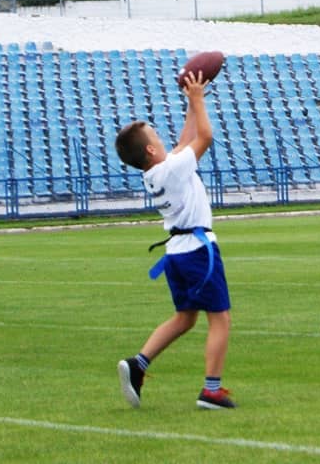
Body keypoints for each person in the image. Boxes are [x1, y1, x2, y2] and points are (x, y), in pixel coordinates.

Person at [114, 70, 235, 410]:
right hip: (198, 250)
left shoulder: (156, 172)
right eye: (157, 135)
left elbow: (185, 142)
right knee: (220, 318)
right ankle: (211, 391)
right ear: (151, 149)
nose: (165, 140)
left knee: (185, 317)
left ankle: (138, 364)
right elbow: (204, 137)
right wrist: (198, 101)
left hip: (176, 253)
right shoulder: (171, 169)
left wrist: (191, 105)